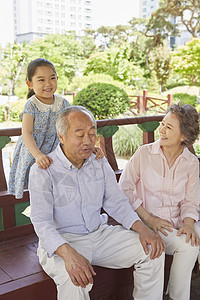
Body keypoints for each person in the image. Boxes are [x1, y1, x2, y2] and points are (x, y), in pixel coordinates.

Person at [29, 105, 165, 300]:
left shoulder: (98, 161)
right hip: (64, 241)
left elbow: (116, 202)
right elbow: (41, 221)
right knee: (76, 279)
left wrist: (143, 230)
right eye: (80, 134)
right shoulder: (44, 170)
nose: (87, 141)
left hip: (100, 234)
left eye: (92, 134)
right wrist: (68, 254)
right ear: (61, 136)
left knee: (153, 250)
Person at [119, 103, 200, 300]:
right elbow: (124, 189)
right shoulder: (144, 154)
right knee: (186, 246)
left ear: (184, 136)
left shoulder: (191, 163)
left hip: (175, 225)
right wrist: (149, 218)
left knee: (191, 240)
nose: (161, 129)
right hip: (147, 224)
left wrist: (188, 224)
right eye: (162, 124)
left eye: (169, 127)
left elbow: (191, 201)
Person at [9, 58, 103, 199]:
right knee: (34, 188)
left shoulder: (63, 103)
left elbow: (76, 127)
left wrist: (90, 146)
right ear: (30, 84)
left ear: (57, 79)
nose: (48, 84)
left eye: (52, 78)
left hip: (55, 151)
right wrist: (37, 155)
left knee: (55, 188)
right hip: (34, 151)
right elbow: (26, 133)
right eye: (41, 80)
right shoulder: (31, 104)